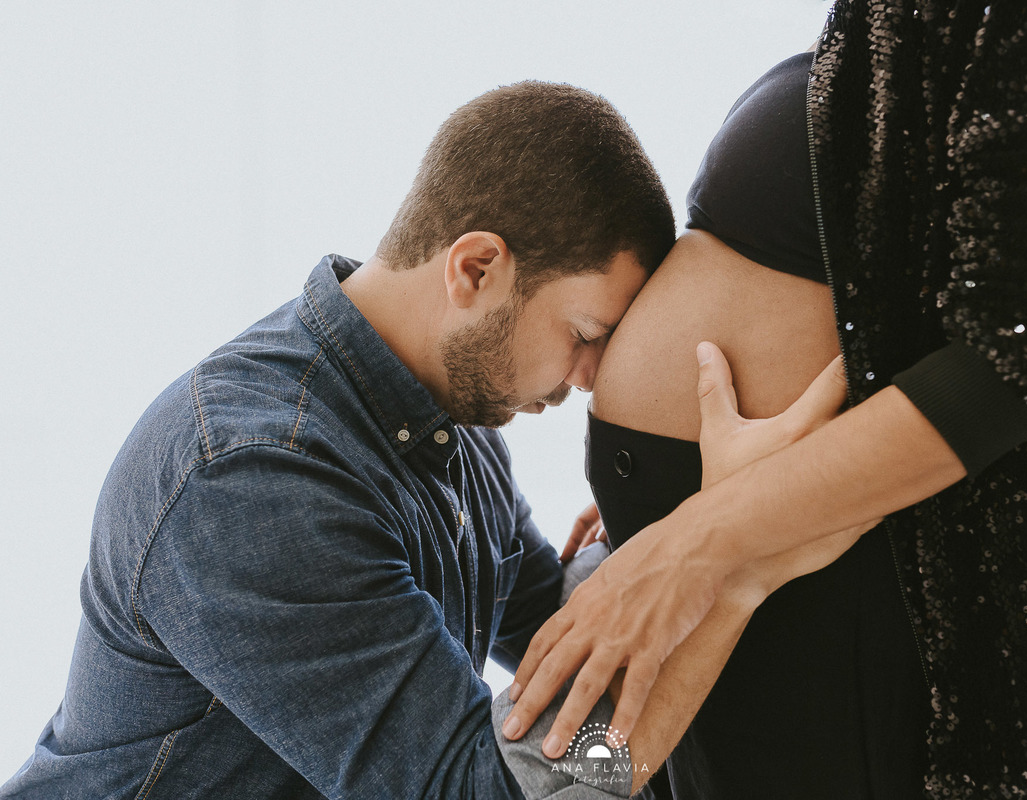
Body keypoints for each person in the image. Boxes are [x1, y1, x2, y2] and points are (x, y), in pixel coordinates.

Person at [503, 2, 1027, 798]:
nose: (578, 377)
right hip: (760, 596)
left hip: (838, 616)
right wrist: (705, 554)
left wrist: (700, 542)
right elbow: (583, 783)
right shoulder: (371, 482)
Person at [0, 80, 702, 799]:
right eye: (587, 336)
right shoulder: (255, 477)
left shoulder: (457, 435)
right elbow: (477, 790)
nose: (590, 379)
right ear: (476, 269)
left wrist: (648, 551)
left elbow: (559, 641)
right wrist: (719, 554)